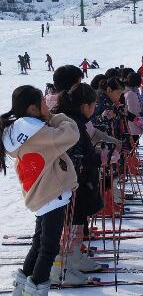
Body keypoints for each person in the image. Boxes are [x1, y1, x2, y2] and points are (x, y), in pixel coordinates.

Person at [1, 85, 79, 295]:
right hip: (52, 194)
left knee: (39, 244)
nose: (47, 105)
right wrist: (54, 117)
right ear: (33, 109)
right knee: (49, 248)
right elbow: (71, 133)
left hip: (39, 195)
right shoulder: (40, 133)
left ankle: (22, 286)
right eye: (43, 103)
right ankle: (35, 289)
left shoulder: (19, 131)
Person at [50, 83, 103, 285]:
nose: (94, 109)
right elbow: (73, 155)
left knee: (78, 222)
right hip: (71, 183)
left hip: (80, 183)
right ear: (84, 105)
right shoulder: (72, 123)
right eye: (93, 105)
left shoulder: (78, 121)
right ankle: (61, 266)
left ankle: (73, 258)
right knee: (69, 225)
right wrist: (98, 158)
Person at [124, 72, 143, 143]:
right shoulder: (132, 94)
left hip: (132, 125)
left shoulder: (131, 92)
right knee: (133, 145)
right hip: (133, 126)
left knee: (133, 145)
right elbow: (134, 111)